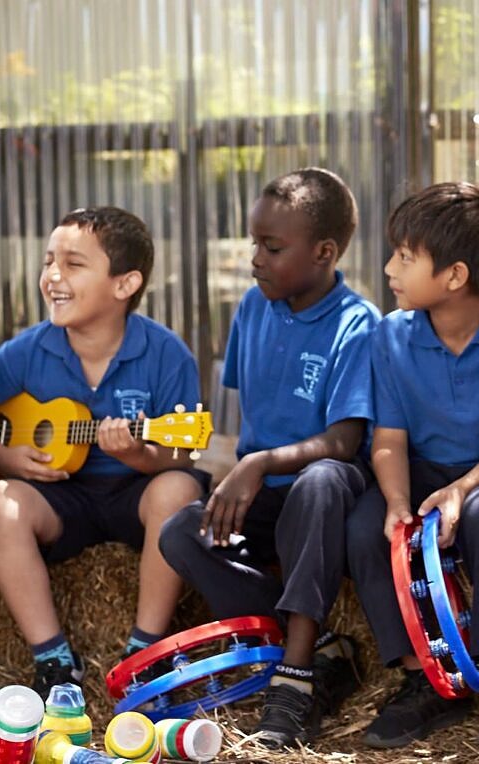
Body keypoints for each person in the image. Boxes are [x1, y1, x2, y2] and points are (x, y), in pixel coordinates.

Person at [346, 177, 479, 754]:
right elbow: (389, 440)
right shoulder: (389, 336)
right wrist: (397, 503)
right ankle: (425, 679)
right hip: (421, 471)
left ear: (455, 276)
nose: (390, 267)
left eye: (405, 256)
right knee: (368, 523)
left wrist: (465, 488)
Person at [158, 168, 378, 749]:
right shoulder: (254, 310)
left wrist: (255, 465)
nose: (254, 258)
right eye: (254, 242)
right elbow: (250, 423)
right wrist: (237, 469)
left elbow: (345, 440)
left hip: (320, 492)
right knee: (179, 533)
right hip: (265, 496)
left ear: (325, 252)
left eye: (271, 247)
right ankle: (321, 648)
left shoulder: (358, 325)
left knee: (322, 480)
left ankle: (295, 674)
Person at [0, 206, 209, 695]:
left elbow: (183, 454)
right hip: (62, 499)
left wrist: (138, 455)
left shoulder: (165, 354)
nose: (53, 276)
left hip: (135, 492)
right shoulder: (25, 352)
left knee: (179, 489)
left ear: (124, 285)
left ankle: (145, 650)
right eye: (48, 261)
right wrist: (5, 457)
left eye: (74, 264)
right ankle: (53, 659)